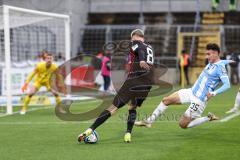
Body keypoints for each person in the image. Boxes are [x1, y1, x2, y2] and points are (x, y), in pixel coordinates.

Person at [77, 29, 155, 143]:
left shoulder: (135, 44)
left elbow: (139, 50)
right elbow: (142, 52)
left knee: (113, 108)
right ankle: (128, 134)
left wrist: (142, 60)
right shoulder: (150, 47)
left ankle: (90, 130)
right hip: (147, 84)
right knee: (132, 107)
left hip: (134, 80)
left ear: (133, 37)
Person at [135, 43, 232, 129]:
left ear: (215, 53)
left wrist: (214, 92)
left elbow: (227, 84)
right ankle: (149, 121)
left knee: (182, 125)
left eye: (209, 54)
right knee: (166, 100)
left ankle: (208, 118)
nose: (207, 56)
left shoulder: (220, 67)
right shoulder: (210, 63)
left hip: (199, 100)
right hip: (191, 92)